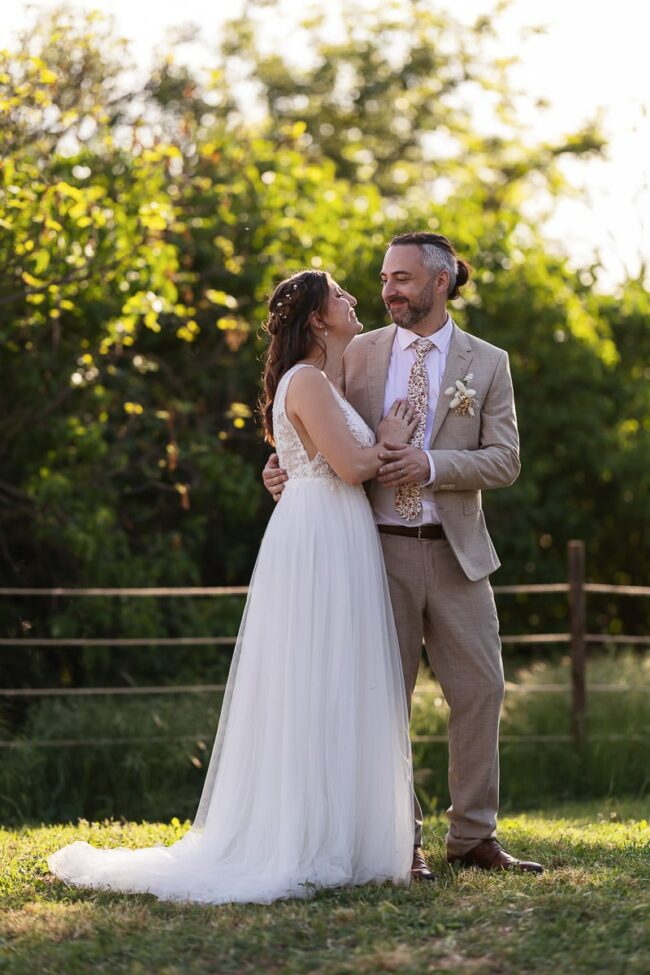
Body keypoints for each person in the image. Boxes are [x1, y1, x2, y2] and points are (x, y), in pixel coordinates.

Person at [48, 269, 419, 904]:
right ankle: (302, 837)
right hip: (320, 539)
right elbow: (354, 467)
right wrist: (386, 440)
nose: (354, 300)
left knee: (334, 678)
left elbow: (317, 459)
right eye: (341, 296)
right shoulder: (305, 380)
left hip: (333, 531)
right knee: (314, 678)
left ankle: (339, 832)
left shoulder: (323, 381)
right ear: (316, 318)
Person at [264, 233, 544, 876]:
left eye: (403, 279)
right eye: (385, 278)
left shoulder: (487, 362)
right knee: (376, 698)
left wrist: (431, 463)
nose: (388, 289)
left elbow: (505, 460)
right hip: (371, 554)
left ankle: (473, 836)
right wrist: (281, 467)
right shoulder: (354, 352)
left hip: (456, 553)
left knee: (481, 689)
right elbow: (313, 422)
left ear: (441, 282)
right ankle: (398, 842)